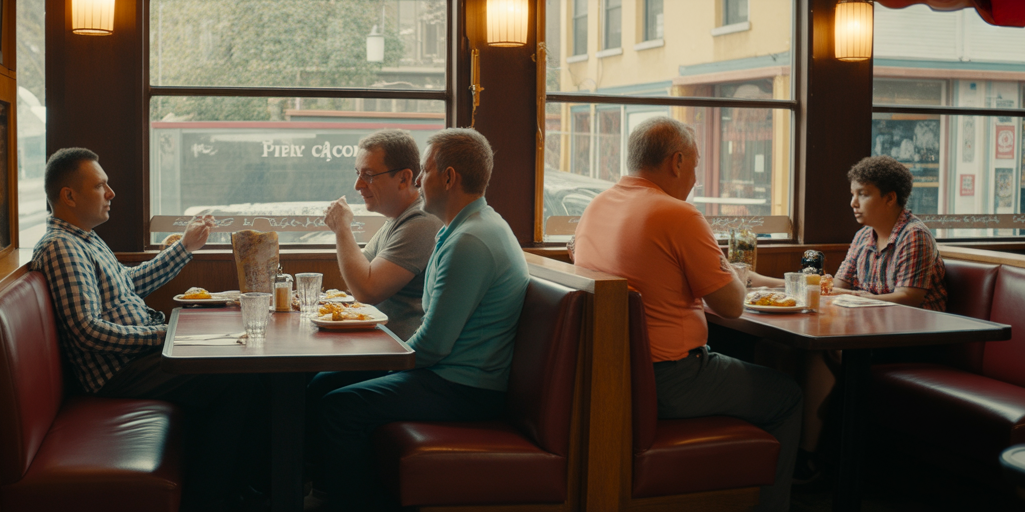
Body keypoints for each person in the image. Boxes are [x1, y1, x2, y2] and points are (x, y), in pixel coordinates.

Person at [572, 117, 801, 512]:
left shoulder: (597, 205)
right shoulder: (678, 215)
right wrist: (722, 263)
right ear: (676, 162)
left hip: (612, 373)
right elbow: (730, 305)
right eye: (695, 166)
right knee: (789, 395)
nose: (695, 179)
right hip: (672, 379)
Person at [30, 147, 266, 512]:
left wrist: (186, 248)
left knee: (238, 368)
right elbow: (87, 332)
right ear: (69, 196)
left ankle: (236, 487)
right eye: (100, 186)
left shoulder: (85, 239)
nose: (111, 194)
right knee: (238, 377)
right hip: (116, 372)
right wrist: (169, 335)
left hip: (135, 358)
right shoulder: (62, 247)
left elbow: (129, 284)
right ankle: (214, 498)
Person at [309, 128, 530, 511]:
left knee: (340, 407)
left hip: (467, 387)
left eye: (424, 171)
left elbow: (432, 346)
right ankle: (322, 493)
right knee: (324, 382)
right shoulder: (458, 230)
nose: (418, 180)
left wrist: (378, 366)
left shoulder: (470, 241)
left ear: (448, 177)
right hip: (448, 374)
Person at [743, 155, 947, 485]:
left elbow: (910, 299)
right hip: (870, 332)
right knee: (776, 347)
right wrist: (772, 283)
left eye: (862, 194)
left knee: (821, 355)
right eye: (853, 194)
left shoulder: (913, 236)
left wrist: (862, 297)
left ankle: (808, 459)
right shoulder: (863, 237)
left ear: (890, 197)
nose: (853, 202)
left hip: (915, 340)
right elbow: (836, 287)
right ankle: (781, 446)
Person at [323, 129, 443, 340]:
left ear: (404, 178)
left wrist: (342, 228)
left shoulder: (421, 222)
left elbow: (366, 291)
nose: (358, 185)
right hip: (378, 343)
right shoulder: (397, 218)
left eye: (368, 175)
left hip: (402, 354)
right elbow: (359, 277)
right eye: (357, 173)